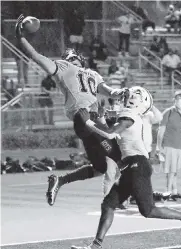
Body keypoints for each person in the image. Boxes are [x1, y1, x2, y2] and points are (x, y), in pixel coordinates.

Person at [70, 87, 181, 249]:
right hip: (131, 166)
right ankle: (95, 247)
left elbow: (110, 134)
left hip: (137, 165)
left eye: (127, 96)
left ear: (135, 100)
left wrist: (89, 122)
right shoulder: (130, 115)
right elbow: (110, 126)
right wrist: (101, 116)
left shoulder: (130, 117)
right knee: (109, 204)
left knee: (148, 210)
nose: (123, 98)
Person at [15, 14, 125, 205]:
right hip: (88, 119)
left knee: (100, 167)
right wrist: (123, 93)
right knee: (116, 157)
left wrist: (21, 37)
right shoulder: (92, 73)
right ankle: (117, 198)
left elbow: (36, 56)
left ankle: (61, 180)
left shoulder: (65, 67)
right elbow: (112, 93)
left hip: (84, 121)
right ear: (80, 60)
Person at [156, 90, 181, 201]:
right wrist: (159, 147)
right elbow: (161, 131)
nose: (180, 100)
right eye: (177, 98)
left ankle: (174, 192)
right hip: (169, 145)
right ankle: (168, 192)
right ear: (174, 100)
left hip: (178, 146)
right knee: (171, 171)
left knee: (175, 171)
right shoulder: (168, 112)